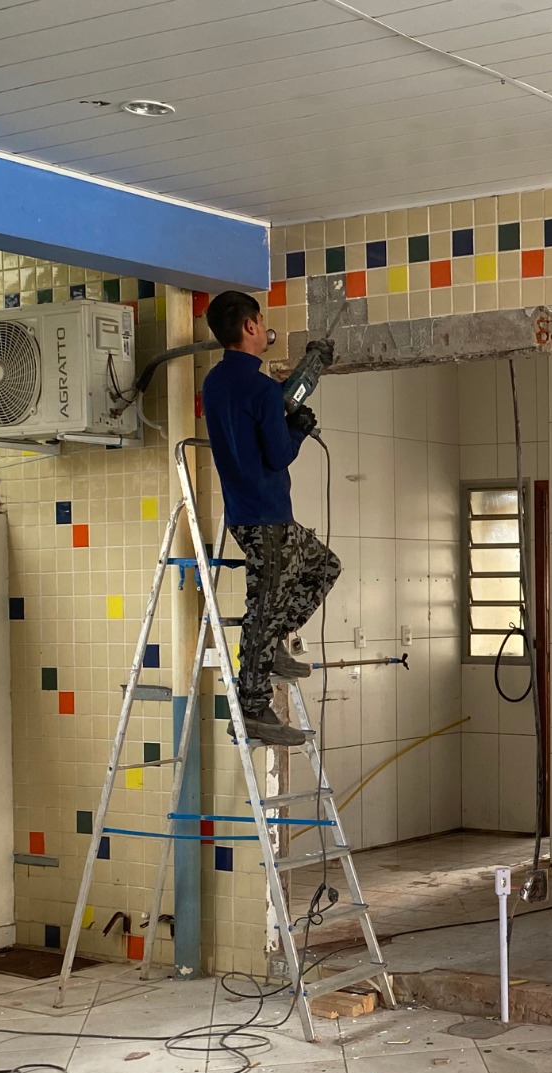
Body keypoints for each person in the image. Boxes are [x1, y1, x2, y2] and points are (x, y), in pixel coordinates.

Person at [202, 290, 336, 747]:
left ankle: (274, 648)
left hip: (245, 513)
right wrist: (296, 427)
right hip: (268, 516)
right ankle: (254, 706)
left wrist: (285, 409)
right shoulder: (260, 388)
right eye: (261, 321)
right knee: (262, 609)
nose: (265, 327)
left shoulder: (215, 384)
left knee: (323, 566)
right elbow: (278, 454)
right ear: (250, 327)